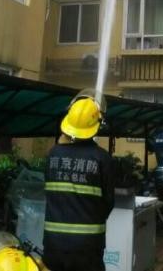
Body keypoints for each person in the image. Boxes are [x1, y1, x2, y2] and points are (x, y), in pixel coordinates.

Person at [43, 94, 115, 271]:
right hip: (88, 247)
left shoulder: (53, 155)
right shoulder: (102, 159)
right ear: (96, 126)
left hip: (54, 245)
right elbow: (108, 202)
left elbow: (50, 194)